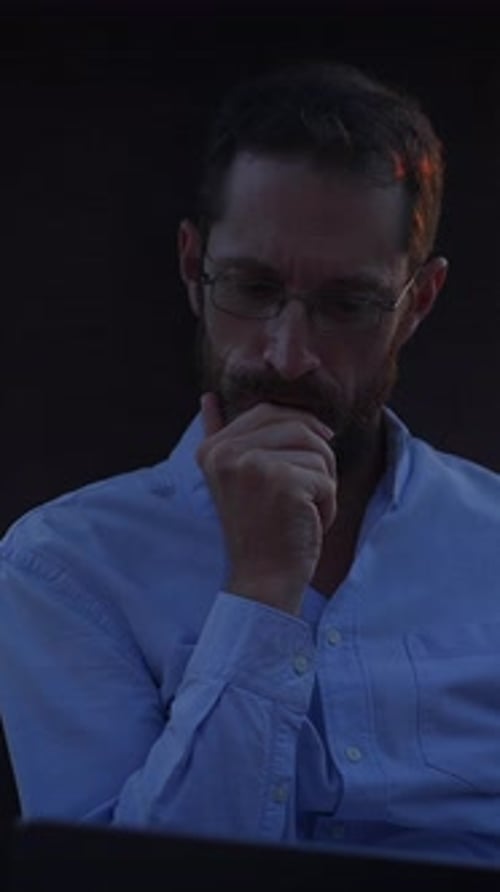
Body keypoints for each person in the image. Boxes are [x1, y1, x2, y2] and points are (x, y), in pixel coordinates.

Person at [1, 59, 500, 865]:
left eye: (348, 304)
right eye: (252, 286)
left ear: (419, 302)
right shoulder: (64, 567)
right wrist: (262, 590)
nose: (288, 354)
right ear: (192, 268)